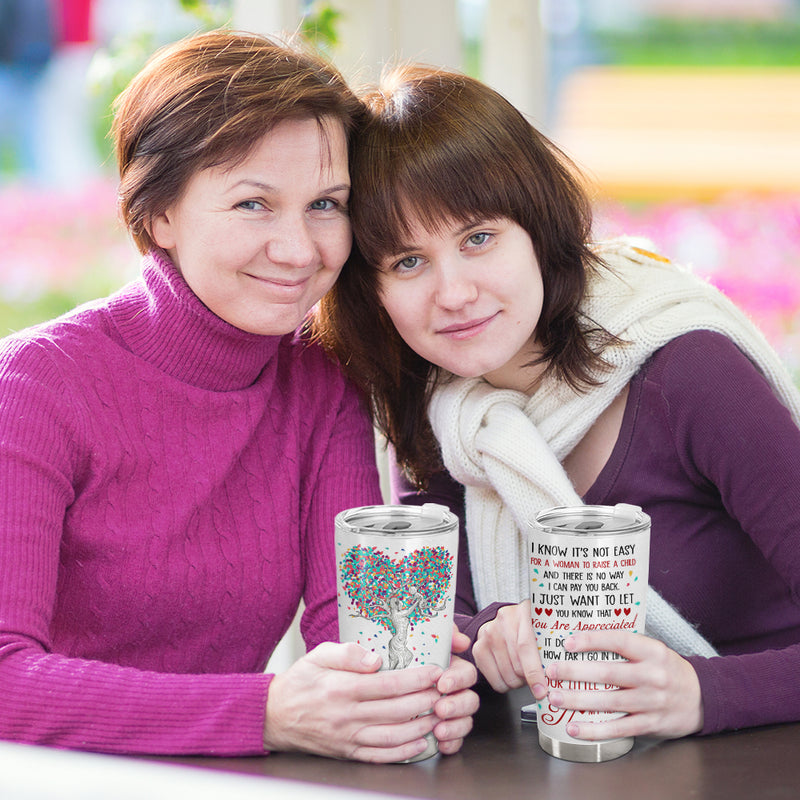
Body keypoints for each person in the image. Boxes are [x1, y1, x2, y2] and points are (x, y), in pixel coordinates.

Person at [0, 33, 478, 760]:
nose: (298, 249)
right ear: (158, 216)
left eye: (325, 204)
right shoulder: (34, 386)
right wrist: (265, 712)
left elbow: (347, 631)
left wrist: (406, 693)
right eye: (253, 204)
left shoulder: (322, 380)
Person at [313, 63, 800, 742]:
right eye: (407, 262)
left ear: (540, 229)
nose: (453, 293)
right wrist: (494, 634)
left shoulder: (688, 372)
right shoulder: (449, 414)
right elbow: (434, 633)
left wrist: (702, 692)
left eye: (478, 238)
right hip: (578, 767)